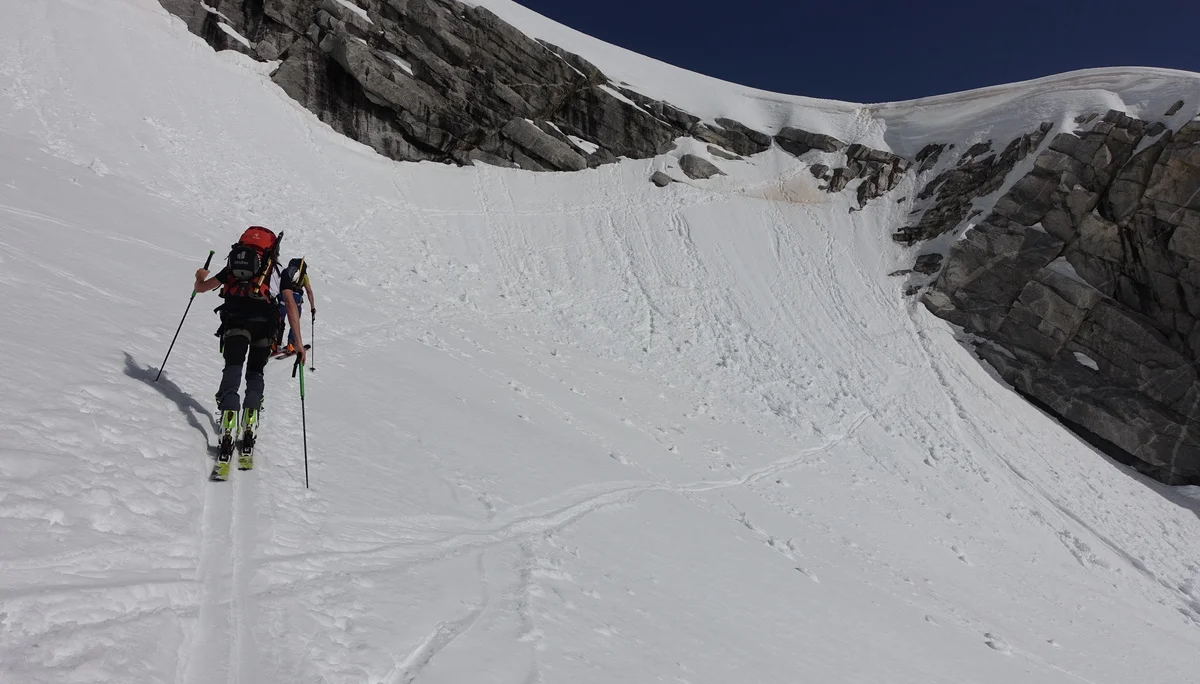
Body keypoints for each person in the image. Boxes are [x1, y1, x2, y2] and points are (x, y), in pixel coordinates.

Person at [194, 227, 306, 418]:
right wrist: (298, 342)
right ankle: (251, 412)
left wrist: (200, 276)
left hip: (235, 320)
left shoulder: (233, 267)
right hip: (265, 325)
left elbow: (201, 288)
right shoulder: (278, 271)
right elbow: (290, 303)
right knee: (255, 371)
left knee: (233, 364)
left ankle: (229, 407)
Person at [278, 257, 315, 353]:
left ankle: (274, 343)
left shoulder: (287, 272)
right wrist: (312, 307)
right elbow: (309, 291)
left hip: (283, 296)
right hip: (296, 299)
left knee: (279, 320)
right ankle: (291, 343)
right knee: (294, 322)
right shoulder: (304, 276)